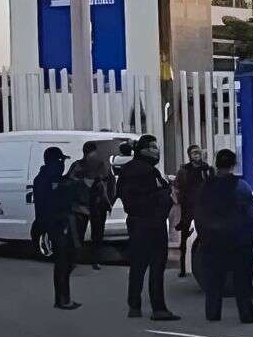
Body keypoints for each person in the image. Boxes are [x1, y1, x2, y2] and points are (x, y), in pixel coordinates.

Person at [194, 149, 253, 323]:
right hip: (238, 242)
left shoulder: (206, 187)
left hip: (212, 242)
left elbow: (199, 215)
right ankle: (246, 313)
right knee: (242, 281)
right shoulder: (241, 187)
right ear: (233, 165)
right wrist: (251, 238)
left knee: (214, 281)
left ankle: (213, 313)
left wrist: (204, 237)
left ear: (217, 164)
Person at [117, 134, 179, 320]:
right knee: (156, 264)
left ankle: (134, 306)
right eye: (153, 147)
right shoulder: (149, 172)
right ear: (143, 150)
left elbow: (120, 192)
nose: (156, 150)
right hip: (151, 222)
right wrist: (168, 194)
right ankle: (158, 308)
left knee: (137, 265)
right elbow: (158, 197)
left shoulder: (126, 170)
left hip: (135, 222)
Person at [33, 147, 79, 309]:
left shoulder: (48, 178)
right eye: (61, 161)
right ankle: (63, 299)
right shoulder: (48, 179)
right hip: (56, 224)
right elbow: (57, 201)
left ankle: (62, 298)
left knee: (67, 260)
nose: (63, 164)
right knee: (63, 262)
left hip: (55, 223)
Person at [67, 141, 115, 270]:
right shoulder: (79, 166)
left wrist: (109, 201)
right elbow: (70, 182)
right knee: (82, 234)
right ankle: (80, 259)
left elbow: (110, 184)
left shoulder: (100, 166)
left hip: (94, 205)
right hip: (84, 206)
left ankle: (91, 259)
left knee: (94, 235)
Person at [174, 145, 214, 277]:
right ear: (189, 155)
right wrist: (179, 201)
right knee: (185, 239)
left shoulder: (207, 169)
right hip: (188, 208)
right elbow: (177, 187)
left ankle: (206, 266)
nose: (196, 155)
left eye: (198, 152)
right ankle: (183, 267)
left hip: (204, 208)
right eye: (193, 153)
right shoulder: (184, 170)